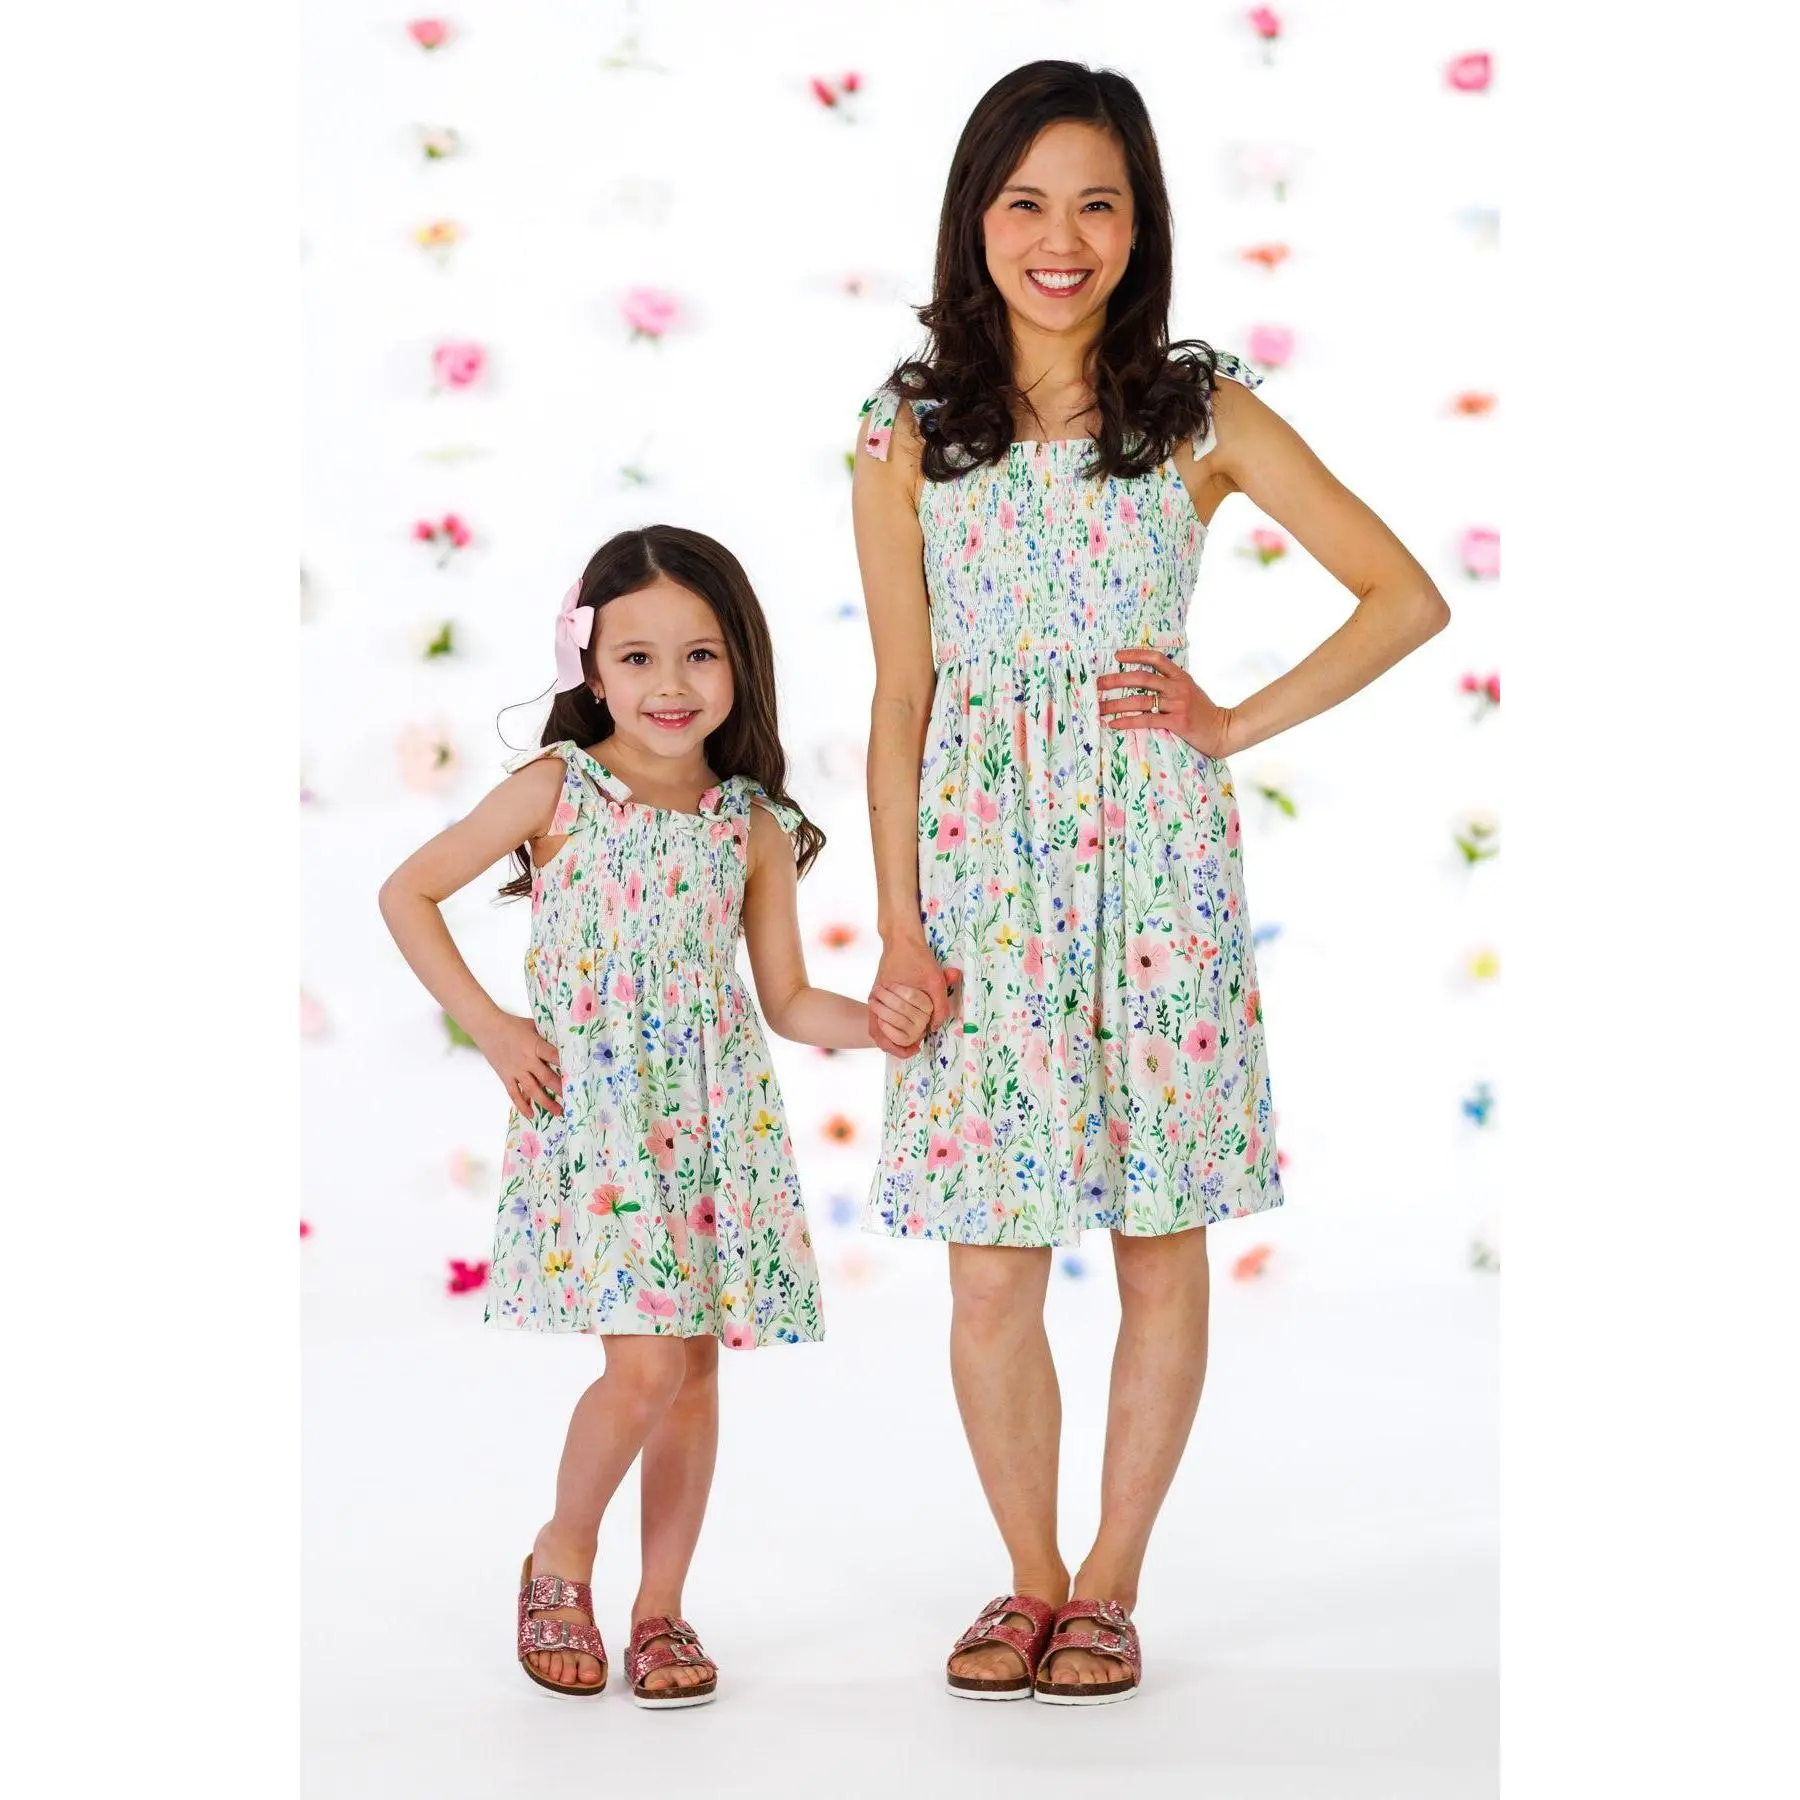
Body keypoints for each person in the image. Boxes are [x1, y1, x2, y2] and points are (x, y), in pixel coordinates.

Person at [852, 61, 1450, 1706]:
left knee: (1156, 1233)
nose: (1063, 239)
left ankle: (1109, 1585)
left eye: (1098, 203)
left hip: (1155, 865)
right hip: (980, 878)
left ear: (1141, 224)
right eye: (1028, 202)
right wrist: (899, 922)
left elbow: (1403, 597)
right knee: (991, 1257)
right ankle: (1028, 1580)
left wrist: (1230, 721)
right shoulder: (907, 431)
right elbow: (899, 699)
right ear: (977, 219)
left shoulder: (1198, 412)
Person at [379, 524, 932, 1706]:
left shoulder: (751, 823)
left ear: (740, 665)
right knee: (641, 1367)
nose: (670, 685)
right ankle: (561, 1556)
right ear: (589, 666)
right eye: (636, 658)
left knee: (692, 1375)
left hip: (714, 1120)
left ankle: (662, 1608)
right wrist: (496, 1027)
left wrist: (883, 1024)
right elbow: (408, 892)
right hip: (599, 1116)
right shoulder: (557, 789)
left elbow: (787, 1000)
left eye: (699, 655)